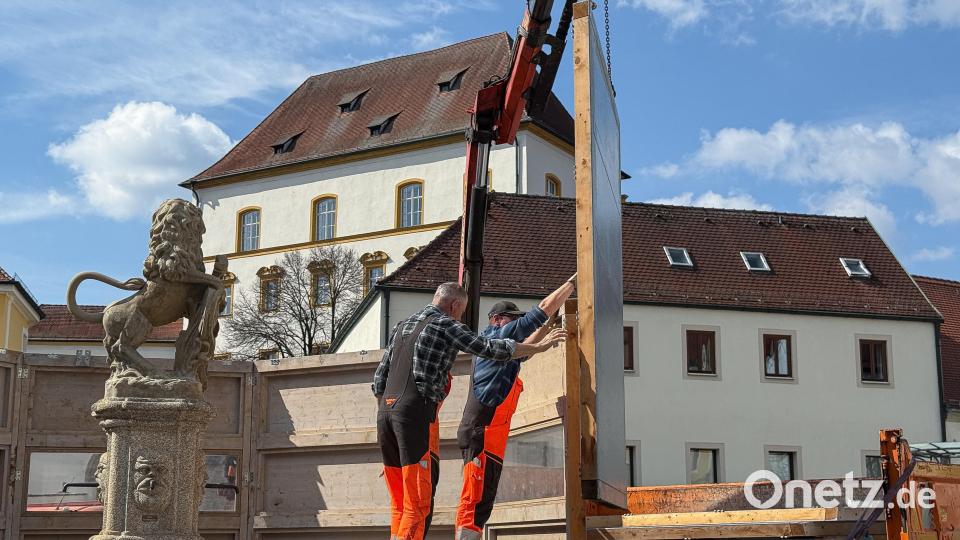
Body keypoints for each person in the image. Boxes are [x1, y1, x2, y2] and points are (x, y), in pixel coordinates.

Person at [372, 282, 565, 540]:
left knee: (401, 503)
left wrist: (389, 420)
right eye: (460, 312)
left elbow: (378, 382)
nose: (460, 317)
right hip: (417, 415)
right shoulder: (447, 325)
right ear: (454, 306)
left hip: (386, 417)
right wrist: (569, 287)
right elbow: (493, 347)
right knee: (419, 502)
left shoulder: (401, 327)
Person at [454, 274, 576, 540]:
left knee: (482, 506)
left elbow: (527, 349)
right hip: (482, 435)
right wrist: (571, 285)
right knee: (472, 506)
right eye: (512, 319)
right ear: (497, 321)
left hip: (491, 439)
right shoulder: (495, 339)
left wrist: (547, 329)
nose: (516, 324)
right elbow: (538, 313)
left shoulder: (501, 354)